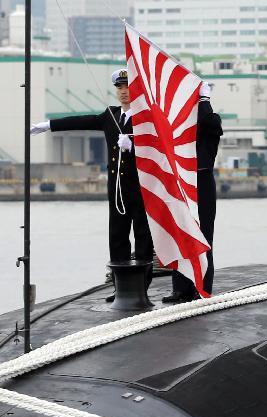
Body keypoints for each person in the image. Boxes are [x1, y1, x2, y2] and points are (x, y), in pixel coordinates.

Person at [31, 69, 155, 303]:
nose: (123, 92)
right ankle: (120, 287)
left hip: (141, 188)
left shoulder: (146, 117)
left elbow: (158, 146)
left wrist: (134, 146)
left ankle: (142, 287)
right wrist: (48, 125)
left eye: (127, 87)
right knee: (117, 237)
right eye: (120, 88)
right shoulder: (110, 115)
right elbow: (82, 121)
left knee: (143, 237)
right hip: (116, 189)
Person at [165, 82, 223, 303]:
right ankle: (180, 288)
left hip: (202, 181)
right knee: (180, 236)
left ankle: (202, 287)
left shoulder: (211, 121)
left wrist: (204, 100)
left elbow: (208, 121)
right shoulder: (179, 125)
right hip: (181, 182)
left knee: (204, 237)